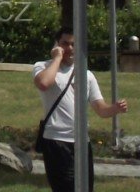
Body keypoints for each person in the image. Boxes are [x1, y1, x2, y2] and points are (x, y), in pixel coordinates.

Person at [34, 25, 128, 192]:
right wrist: (56, 58)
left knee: (85, 188)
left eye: (73, 44)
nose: (69, 48)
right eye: (65, 43)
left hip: (82, 142)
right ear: (56, 44)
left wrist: (115, 108)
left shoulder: (87, 75)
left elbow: (100, 109)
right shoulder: (43, 66)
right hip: (57, 141)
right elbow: (43, 83)